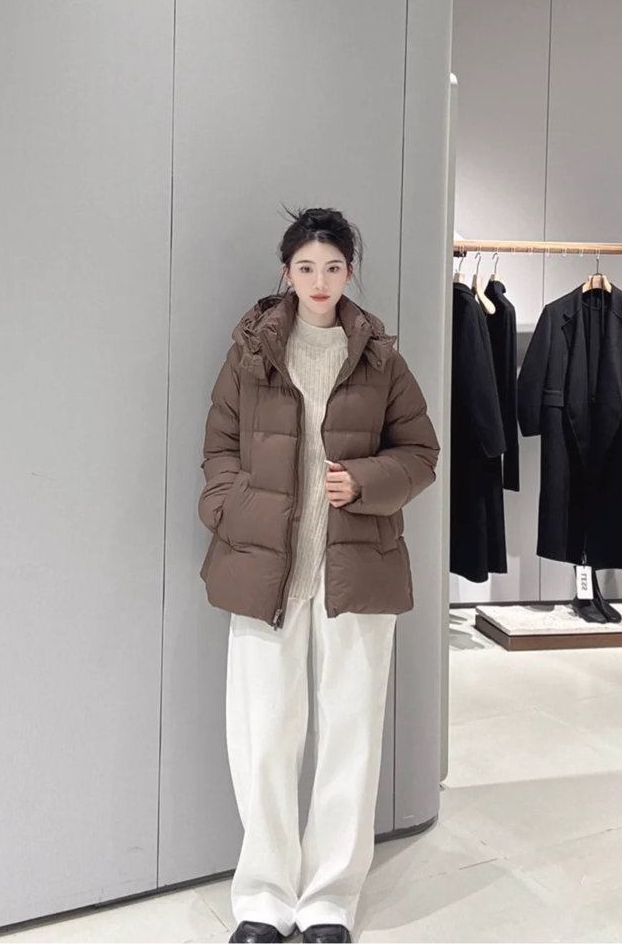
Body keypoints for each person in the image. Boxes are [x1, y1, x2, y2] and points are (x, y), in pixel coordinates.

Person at [198, 207, 440, 944]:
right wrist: (232, 509)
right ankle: (264, 897)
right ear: (286, 272)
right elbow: (219, 449)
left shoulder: (380, 358)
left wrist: (364, 481)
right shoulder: (249, 354)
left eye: (333, 267)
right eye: (306, 267)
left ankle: (330, 899)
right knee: (263, 735)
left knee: (351, 735)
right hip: (264, 569)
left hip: (356, 569)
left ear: (349, 272)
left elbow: (421, 453)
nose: (320, 281)